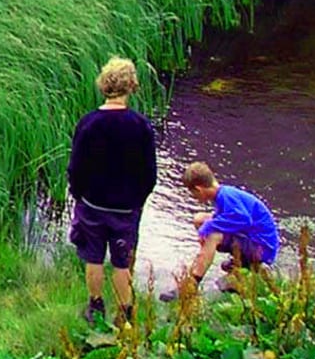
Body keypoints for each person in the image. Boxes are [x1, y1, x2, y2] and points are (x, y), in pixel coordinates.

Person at [64, 57, 155, 325]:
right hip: (126, 208)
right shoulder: (141, 125)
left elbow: (75, 167)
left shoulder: (88, 123)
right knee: (121, 262)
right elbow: (149, 174)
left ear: (104, 85)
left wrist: (79, 195)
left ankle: (95, 307)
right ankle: (125, 314)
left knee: (93, 257)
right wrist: (137, 201)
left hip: (92, 204)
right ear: (131, 86)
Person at [170, 161, 279, 300]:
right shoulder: (223, 194)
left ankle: (192, 284)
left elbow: (244, 219)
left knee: (213, 235)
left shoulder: (226, 196)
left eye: (193, 194)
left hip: (261, 248)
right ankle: (239, 263)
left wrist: (208, 227)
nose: (194, 198)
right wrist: (207, 225)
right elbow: (227, 218)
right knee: (200, 219)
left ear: (199, 189)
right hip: (251, 238)